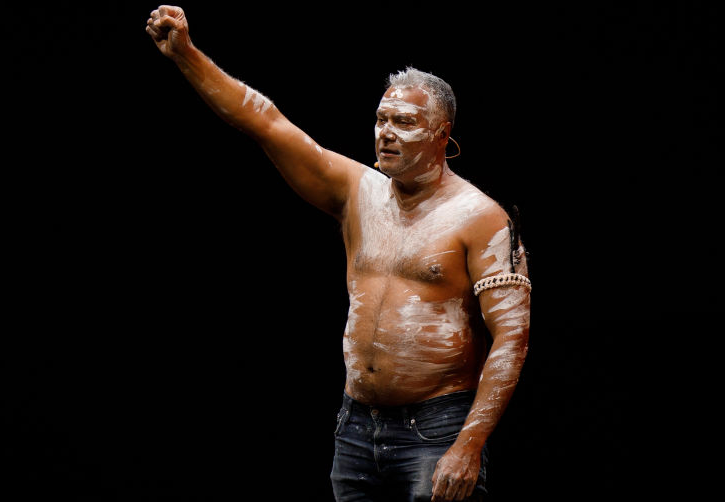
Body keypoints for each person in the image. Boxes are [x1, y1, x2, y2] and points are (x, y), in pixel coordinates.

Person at [146, 5, 531, 501]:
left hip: (437, 429)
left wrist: (469, 443)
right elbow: (266, 123)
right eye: (381, 119)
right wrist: (186, 55)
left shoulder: (482, 219)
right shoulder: (358, 191)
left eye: (405, 122)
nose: (386, 132)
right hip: (354, 425)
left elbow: (511, 340)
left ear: (441, 134)